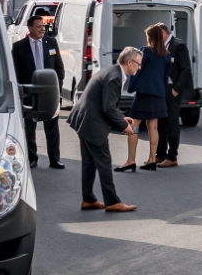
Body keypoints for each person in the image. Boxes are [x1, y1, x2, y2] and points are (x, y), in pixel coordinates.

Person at [68, 47, 139, 212]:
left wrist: (122, 117)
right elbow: (108, 108)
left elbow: (107, 103)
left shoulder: (112, 71)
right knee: (104, 162)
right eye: (138, 64)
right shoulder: (115, 77)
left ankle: (88, 199)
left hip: (84, 119)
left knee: (89, 162)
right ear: (129, 62)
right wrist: (124, 126)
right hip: (92, 123)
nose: (140, 67)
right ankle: (112, 202)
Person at [11, 16, 66, 168]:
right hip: (29, 93)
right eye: (38, 26)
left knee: (52, 127)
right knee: (29, 128)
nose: (42, 29)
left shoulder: (51, 43)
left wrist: (57, 88)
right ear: (29, 28)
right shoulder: (19, 47)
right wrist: (21, 92)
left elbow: (59, 68)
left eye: (43, 26)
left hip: (49, 93)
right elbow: (15, 72)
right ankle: (32, 158)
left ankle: (55, 159)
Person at [125, 25, 171, 171]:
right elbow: (165, 78)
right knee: (153, 126)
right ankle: (152, 159)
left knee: (134, 125)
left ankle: (131, 160)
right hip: (159, 95)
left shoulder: (145, 51)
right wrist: (163, 93)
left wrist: (131, 87)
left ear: (150, 37)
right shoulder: (166, 55)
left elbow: (137, 71)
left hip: (144, 94)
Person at [157, 24, 193, 167]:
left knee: (171, 122)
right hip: (161, 89)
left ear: (163, 33)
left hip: (172, 89)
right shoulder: (160, 46)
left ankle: (172, 156)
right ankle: (160, 154)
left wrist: (176, 89)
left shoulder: (178, 45)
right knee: (160, 122)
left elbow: (186, 70)